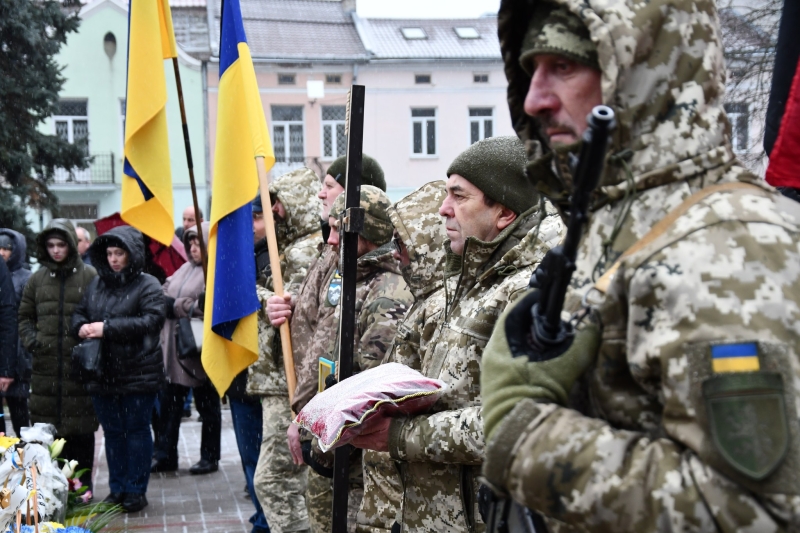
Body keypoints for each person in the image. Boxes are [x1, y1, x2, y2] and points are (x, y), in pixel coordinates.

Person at [480, 0, 800, 530]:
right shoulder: (616, 221)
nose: (535, 99)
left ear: (640, 71)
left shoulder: (729, 241)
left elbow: (760, 512)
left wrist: (528, 440)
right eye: (529, 70)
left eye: (564, 66)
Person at [350, 137, 564, 533]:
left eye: (459, 196)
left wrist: (399, 435)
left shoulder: (533, 292)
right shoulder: (467, 282)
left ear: (503, 212)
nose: (443, 210)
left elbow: (514, 425)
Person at [270, 185, 413, 533]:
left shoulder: (386, 291)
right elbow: (322, 351)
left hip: (349, 461)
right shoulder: (346, 274)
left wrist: (321, 441)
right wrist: (303, 416)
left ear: (367, 233)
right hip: (324, 443)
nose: (331, 240)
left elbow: (367, 391)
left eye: (339, 229)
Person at [356, 181, 448, 533]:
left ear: (428, 244)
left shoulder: (438, 306)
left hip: (411, 495)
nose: (396, 253)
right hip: (390, 492)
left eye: (405, 243)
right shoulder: (426, 301)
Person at [248, 167, 322, 533]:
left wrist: (255, 297)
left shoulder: (304, 249)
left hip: (288, 378)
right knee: (294, 479)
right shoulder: (290, 247)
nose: (273, 214)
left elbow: (290, 305)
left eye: (277, 205)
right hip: (280, 376)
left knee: (274, 479)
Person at [72, 225, 165, 513]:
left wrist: (107, 328)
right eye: (110, 253)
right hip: (103, 371)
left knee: (136, 431)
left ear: (131, 254)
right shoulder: (98, 284)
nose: (113, 259)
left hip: (138, 371)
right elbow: (80, 311)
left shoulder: (147, 284)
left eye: (119, 253)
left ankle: (136, 490)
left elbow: (151, 321)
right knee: (112, 433)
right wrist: (81, 327)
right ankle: (117, 488)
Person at [18, 220, 98, 490]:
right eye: (50, 245)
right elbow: (25, 317)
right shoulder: (37, 279)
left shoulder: (89, 276)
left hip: (79, 368)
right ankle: (52, 493)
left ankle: (83, 490)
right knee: (48, 435)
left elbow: (98, 312)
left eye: (61, 244)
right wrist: (33, 342)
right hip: (46, 369)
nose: (55, 250)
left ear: (71, 246)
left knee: (81, 433)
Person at [151, 222, 221, 475]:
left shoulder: (215, 270)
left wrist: (177, 305)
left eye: (197, 242)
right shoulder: (183, 269)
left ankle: (210, 456)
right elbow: (162, 294)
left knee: (207, 406)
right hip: (172, 350)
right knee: (169, 408)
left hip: (198, 351)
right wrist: (180, 304)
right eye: (189, 243)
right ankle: (165, 455)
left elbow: (208, 305)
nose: (192, 248)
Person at [0, 229, 32, 436]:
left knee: (20, 416)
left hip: (19, 355)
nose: (2, 252)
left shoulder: (27, 278)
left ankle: (25, 463)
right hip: (5, 351)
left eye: (7, 248)